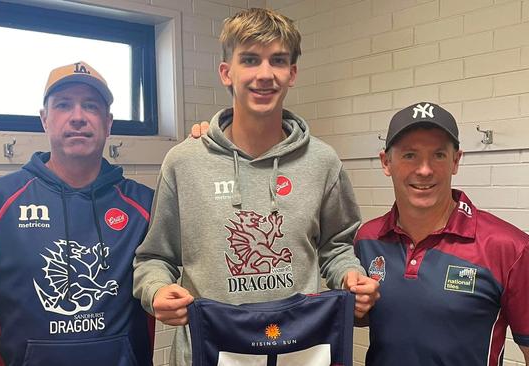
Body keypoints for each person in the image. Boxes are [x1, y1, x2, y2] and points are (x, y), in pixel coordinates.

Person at [133, 8, 379, 365]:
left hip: (297, 351)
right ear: (226, 72)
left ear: (292, 73)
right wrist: (155, 290)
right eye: (249, 60)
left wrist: (350, 277)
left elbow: (337, 247)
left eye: (277, 61)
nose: (265, 74)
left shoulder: (323, 162)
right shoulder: (184, 161)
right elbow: (155, 257)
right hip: (207, 352)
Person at [0, 61, 155, 366]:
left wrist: (207, 150)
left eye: (90, 106)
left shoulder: (145, 207)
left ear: (108, 122)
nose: (77, 117)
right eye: (63, 105)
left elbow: (205, 269)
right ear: (45, 119)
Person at [355, 101, 529, 366]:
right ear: (386, 162)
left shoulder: (509, 248)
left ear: (456, 161)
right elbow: (368, 315)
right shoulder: (367, 239)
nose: (425, 169)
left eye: (439, 155)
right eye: (409, 155)